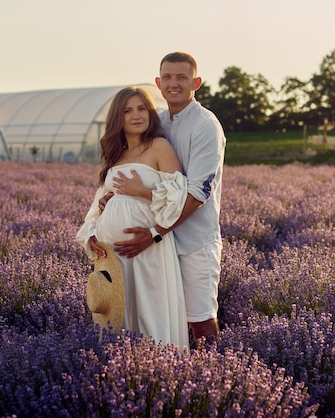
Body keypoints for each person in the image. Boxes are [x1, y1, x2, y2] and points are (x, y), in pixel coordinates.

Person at [109, 52, 226, 346]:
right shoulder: (157, 122)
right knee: (160, 316)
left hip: (192, 241)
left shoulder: (205, 126)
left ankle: (212, 383)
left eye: (182, 77)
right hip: (158, 246)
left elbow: (198, 193)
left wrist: (155, 234)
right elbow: (137, 164)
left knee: (200, 320)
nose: (174, 84)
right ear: (158, 83)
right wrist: (111, 198)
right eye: (169, 78)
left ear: (196, 82)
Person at [76, 86, 189, 349]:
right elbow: (98, 204)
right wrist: (91, 233)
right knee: (116, 314)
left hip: (147, 246)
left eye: (141, 109)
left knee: (150, 310)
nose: (136, 115)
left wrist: (141, 191)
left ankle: (159, 370)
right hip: (113, 254)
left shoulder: (160, 147)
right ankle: (121, 375)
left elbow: (177, 199)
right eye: (128, 110)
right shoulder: (115, 155)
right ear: (118, 117)